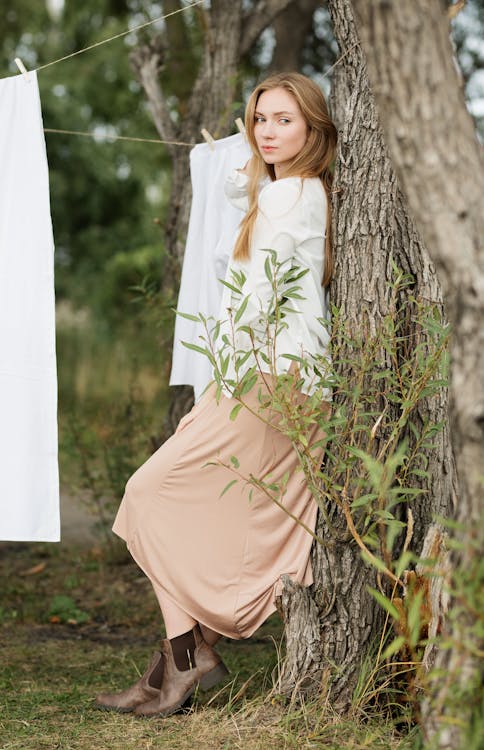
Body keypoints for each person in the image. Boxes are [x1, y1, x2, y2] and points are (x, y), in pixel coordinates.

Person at [95, 72, 337, 719]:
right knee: (180, 503)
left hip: (268, 378)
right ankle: (176, 662)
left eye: (283, 119)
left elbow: (259, 304)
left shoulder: (290, 198)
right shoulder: (294, 193)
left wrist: (218, 390)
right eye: (260, 119)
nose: (266, 131)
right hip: (286, 381)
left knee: (148, 493)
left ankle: (184, 660)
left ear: (313, 127)